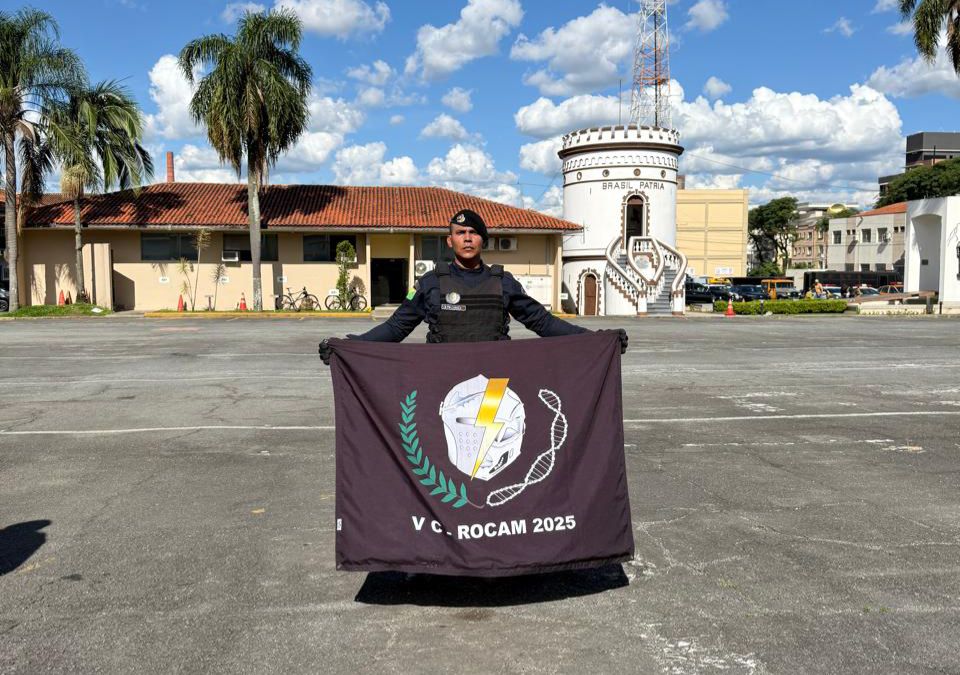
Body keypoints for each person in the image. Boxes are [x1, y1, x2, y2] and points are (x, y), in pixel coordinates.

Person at [319, 208, 627, 362]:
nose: (467, 238)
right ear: (449, 241)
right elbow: (396, 327)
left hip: (495, 382)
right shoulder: (429, 284)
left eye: (473, 233)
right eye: (460, 233)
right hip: (441, 379)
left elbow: (543, 322)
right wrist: (350, 345)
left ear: (483, 240)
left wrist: (594, 339)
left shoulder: (504, 283)